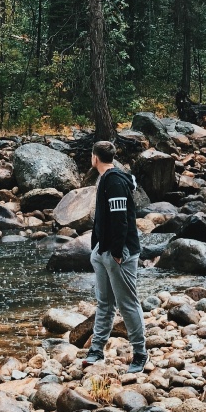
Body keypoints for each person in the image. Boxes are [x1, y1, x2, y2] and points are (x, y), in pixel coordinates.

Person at [86, 139, 148, 372]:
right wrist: (97, 248)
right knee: (105, 302)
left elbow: (121, 219)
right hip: (104, 250)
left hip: (119, 253)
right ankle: (96, 348)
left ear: (95, 158)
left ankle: (140, 353)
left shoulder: (115, 182)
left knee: (127, 304)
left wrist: (117, 252)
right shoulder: (106, 178)